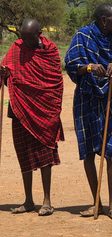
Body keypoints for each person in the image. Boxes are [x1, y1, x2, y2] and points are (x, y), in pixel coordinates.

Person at [65, 3, 112, 220]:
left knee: (111, 151)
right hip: (87, 100)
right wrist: (90, 67)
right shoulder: (82, 36)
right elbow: (71, 65)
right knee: (89, 152)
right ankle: (96, 202)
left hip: (110, 100)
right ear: (103, 20)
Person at [0, 19, 64, 217]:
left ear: (40, 33)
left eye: (30, 37)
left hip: (45, 110)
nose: (25, 41)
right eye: (23, 37)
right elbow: (6, 73)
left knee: (46, 155)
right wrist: (2, 74)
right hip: (19, 108)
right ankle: (28, 200)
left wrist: (52, 110)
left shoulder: (50, 52)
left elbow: (55, 82)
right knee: (24, 154)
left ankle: (47, 201)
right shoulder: (16, 48)